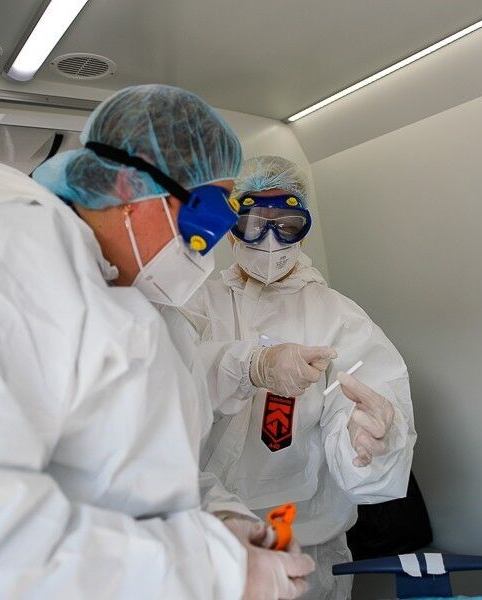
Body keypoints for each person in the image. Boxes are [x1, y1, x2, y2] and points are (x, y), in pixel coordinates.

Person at [0, 87, 313, 599]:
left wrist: (216, 521)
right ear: (126, 184)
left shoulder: (128, 304)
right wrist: (213, 570)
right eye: (205, 212)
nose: (206, 246)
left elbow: (135, 474)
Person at [173, 155, 417, 599]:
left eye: (286, 224)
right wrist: (249, 366)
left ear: (303, 229)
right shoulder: (196, 303)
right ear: (231, 227)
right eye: (253, 223)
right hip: (202, 539)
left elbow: (360, 407)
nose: (270, 240)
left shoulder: (338, 317)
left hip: (305, 548)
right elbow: (166, 389)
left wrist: (371, 441)